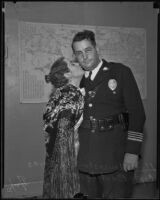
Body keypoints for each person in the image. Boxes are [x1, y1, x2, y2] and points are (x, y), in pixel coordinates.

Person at [71, 30, 146, 199]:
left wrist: (132, 151)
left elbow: (137, 113)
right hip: (86, 158)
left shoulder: (119, 72)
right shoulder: (80, 80)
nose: (84, 56)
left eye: (88, 50)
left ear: (96, 48)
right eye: (79, 53)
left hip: (114, 156)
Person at [42, 57, 85, 198]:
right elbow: (63, 132)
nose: (78, 63)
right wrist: (66, 170)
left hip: (54, 156)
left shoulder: (60, 93)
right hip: (66, 157)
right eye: (73, 64)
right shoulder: (72, 95)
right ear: (67, 74)